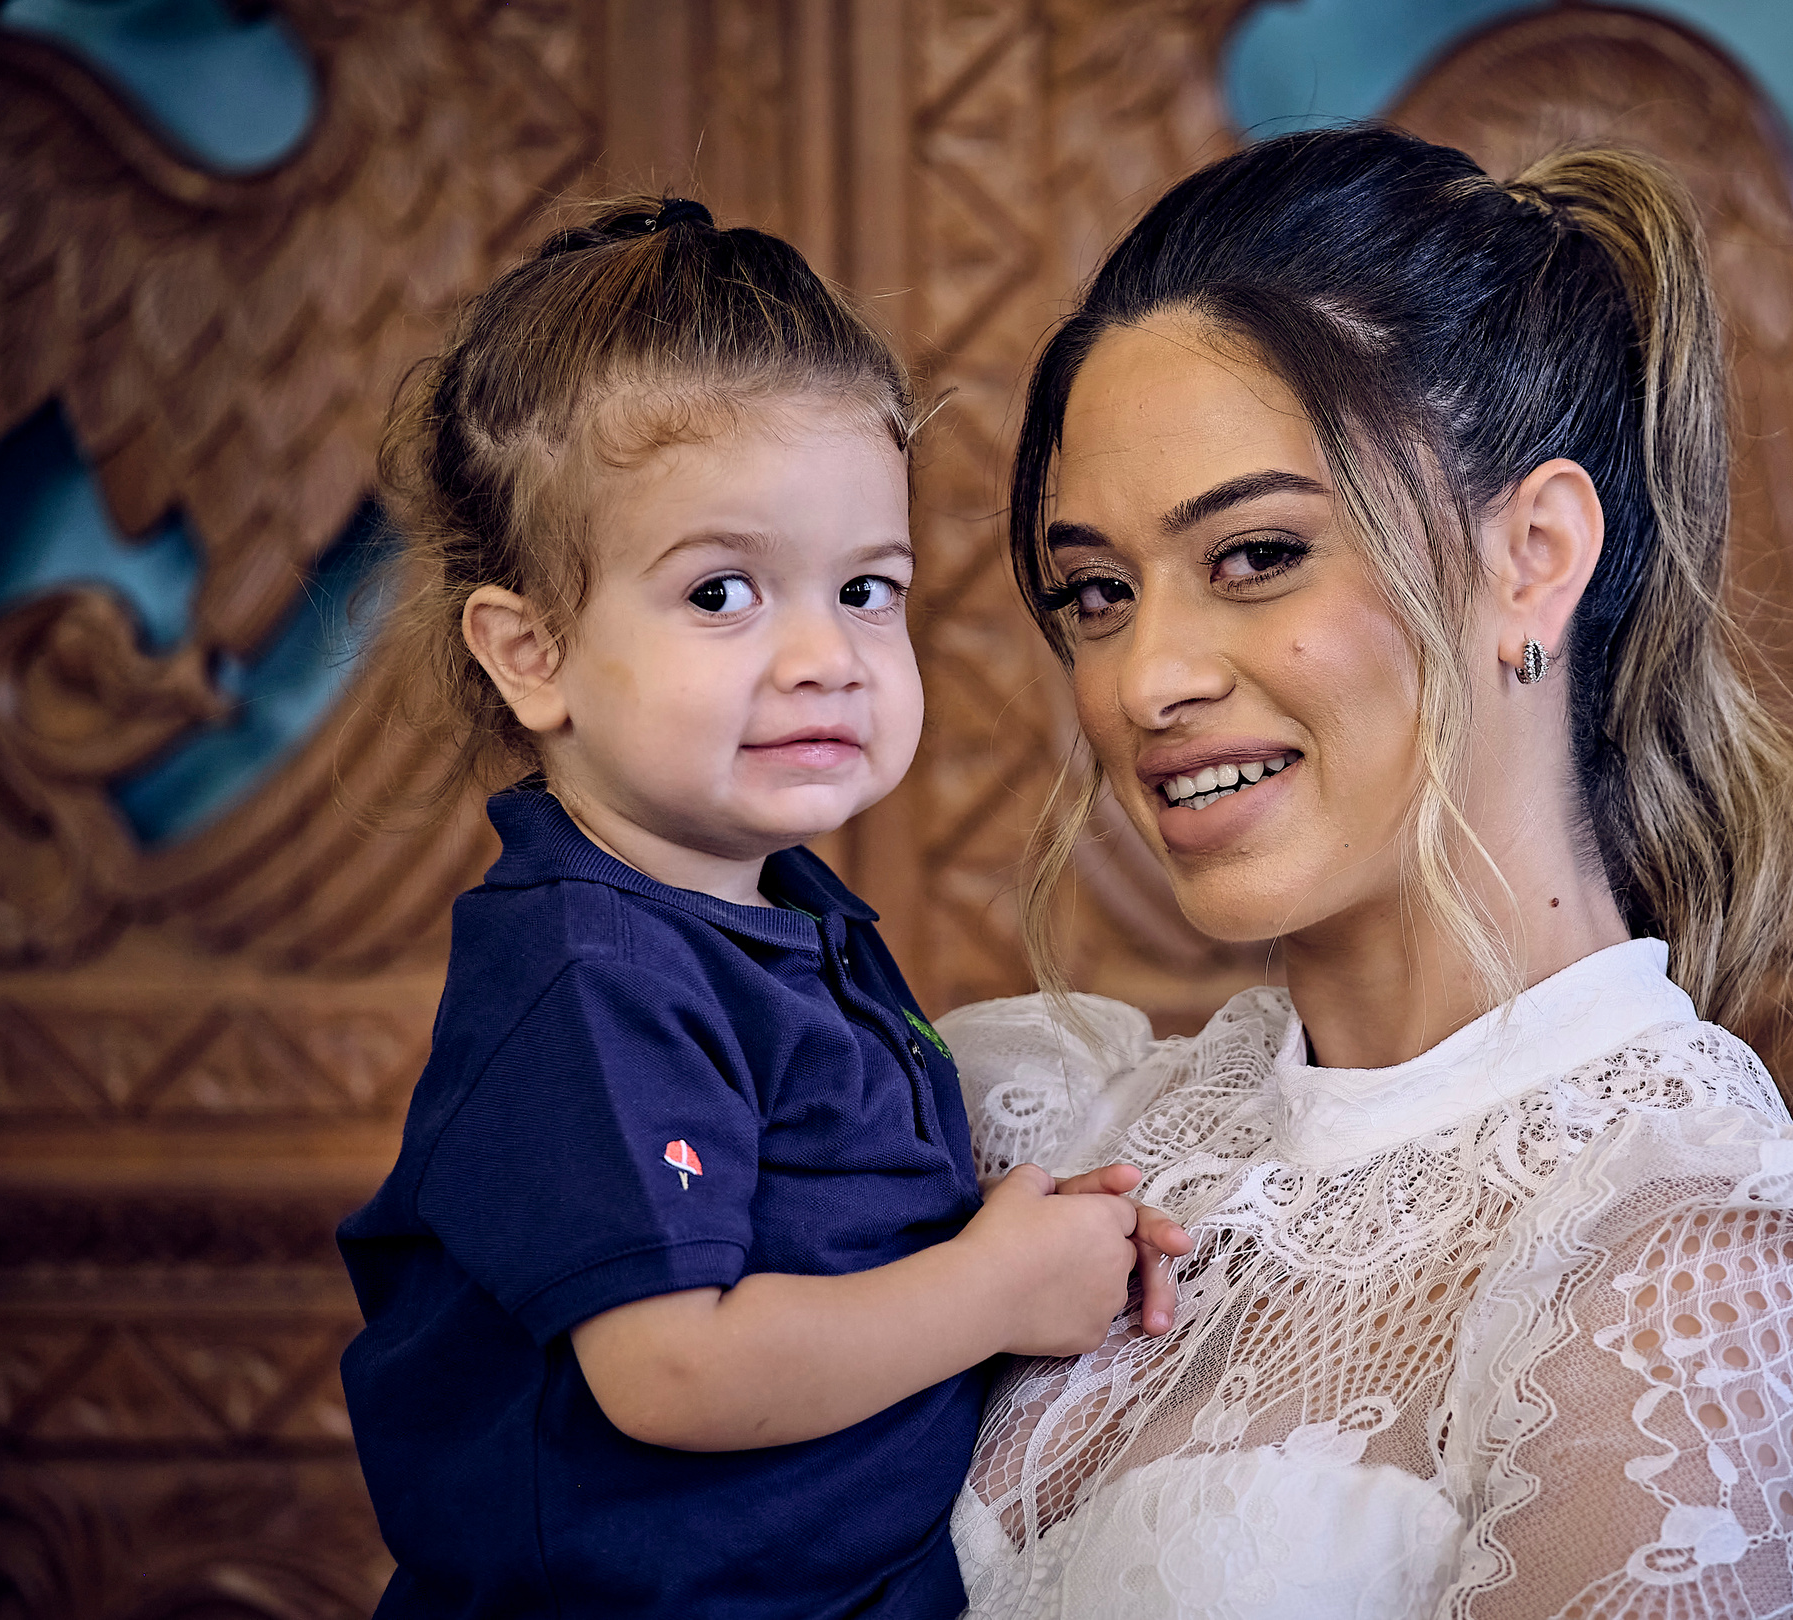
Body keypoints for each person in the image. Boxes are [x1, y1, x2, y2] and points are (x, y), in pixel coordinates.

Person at [941, 127, 1793, 1618]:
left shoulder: (1699, 1262)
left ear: (1534, 555)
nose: (1141, 680)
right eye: (1097, 591)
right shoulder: (1046, 1124)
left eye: (1254, 556)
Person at [335, 197, 1189, 1619]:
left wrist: (1027, 1235)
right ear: (531, 652)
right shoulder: (590, 973)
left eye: (866, 588)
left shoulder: (776, 913)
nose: (825, 656)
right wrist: (986, 1291)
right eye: (723, 592)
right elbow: (677, 1367)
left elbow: (809, 1234)